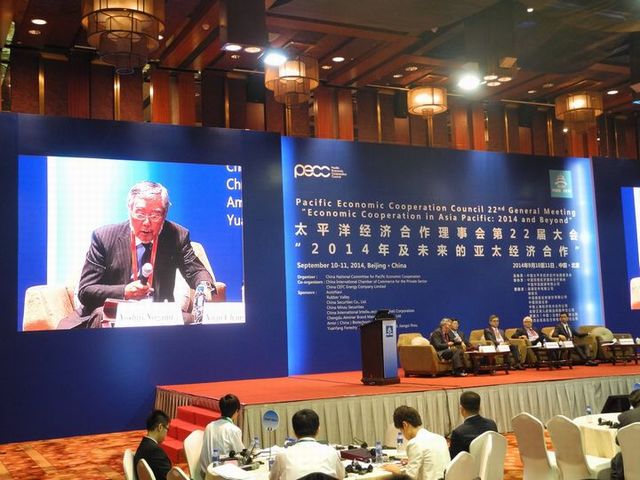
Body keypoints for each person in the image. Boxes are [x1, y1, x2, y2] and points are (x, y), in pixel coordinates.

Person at [61, 181, 215, 328]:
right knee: (102, 315)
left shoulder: (176, 235)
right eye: (140, 214)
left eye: (155, 215)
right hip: (112, 311)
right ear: (130, 210)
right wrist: (124, 292)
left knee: (192, 321)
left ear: (164, 215)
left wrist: (203, 286)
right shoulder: (104, 237)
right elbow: (86, 291)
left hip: (157, 314)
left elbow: (195, 270)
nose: (147, 223)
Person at [269, 409, 345, 480]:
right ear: (318, 430)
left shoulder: (282, 455)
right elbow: (341, 476)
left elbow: (272, 478)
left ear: (294, 432)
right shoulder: (331, 451)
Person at [382, 405, 449, 480]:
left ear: (405, 425)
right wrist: (411, 461)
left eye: (401, 430)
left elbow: (409, 477)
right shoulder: (440, 438)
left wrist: (397, 471)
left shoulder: (414, 443)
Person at [199, 393, 244, 478]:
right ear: (236, 411)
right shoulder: (234, 430)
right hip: (221, 476)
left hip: (205, 475)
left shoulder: (209, 426)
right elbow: (241, 455)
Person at [449, 391, 498, 459]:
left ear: (462, 409)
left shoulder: (458, 432)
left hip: (470, 465)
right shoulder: (492, 424)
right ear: (479, 407)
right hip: (491, 463)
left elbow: (454, 459)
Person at [134, 410, 172, 480]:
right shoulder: (156, 451)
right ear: (160, 427)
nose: (167, 433)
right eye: (167, 429)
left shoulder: (143, 444)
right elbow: (169, 477)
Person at [611, 389, 640, 479]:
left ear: (632, 403)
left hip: (635, 459)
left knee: (618, 459)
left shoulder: (625, 417)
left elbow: (619, 441)